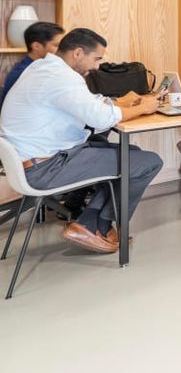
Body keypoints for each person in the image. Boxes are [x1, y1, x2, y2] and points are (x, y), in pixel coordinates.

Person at [0, 28, 163, 254]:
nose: (97, 66)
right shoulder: (61, 78)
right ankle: (92, 226)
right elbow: (100, 118)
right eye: (96, 58)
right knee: (148, 162)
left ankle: (91, 222)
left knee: (131, 153)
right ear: (78, 53)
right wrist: (145, 107)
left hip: (33, 161)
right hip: (46, 168)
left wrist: (123, 103)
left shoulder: (43, 68)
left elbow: (87, 103)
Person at [0, 21, 64, 110]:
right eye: (57, 45)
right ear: (36, 46)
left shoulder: (42, 67)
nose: (63, 50)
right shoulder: (25, 73)